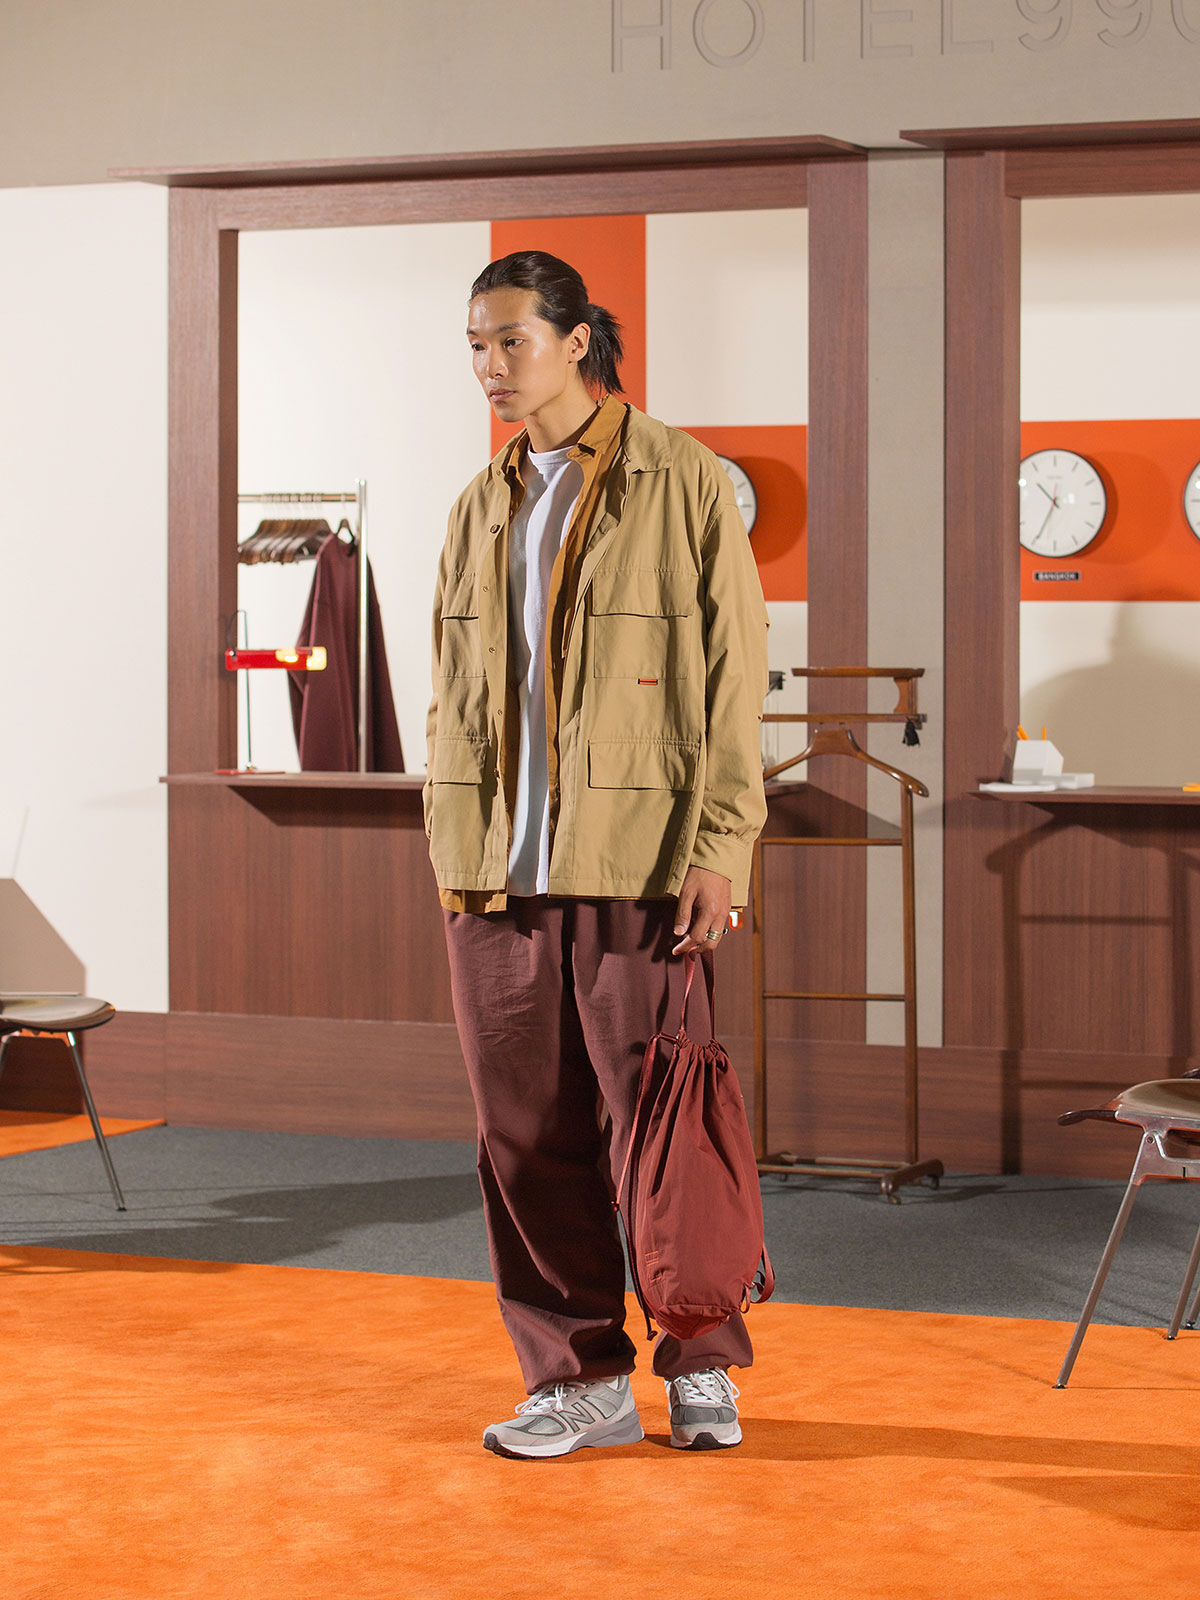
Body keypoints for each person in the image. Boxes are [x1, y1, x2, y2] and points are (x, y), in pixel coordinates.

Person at [423, 250, 768, 1459]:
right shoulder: (481, 504)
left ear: (577, 341)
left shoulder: (684, 481)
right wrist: (451, 837)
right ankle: (578, 1377)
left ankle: (703, 1360)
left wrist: (721, 847)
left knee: (665, 1123)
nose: (491, 367)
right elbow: (456, 694)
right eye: (476, 345)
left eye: (511, 341)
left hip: (640, 865)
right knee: (522, 1137)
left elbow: (732, 682)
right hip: (495, 877)